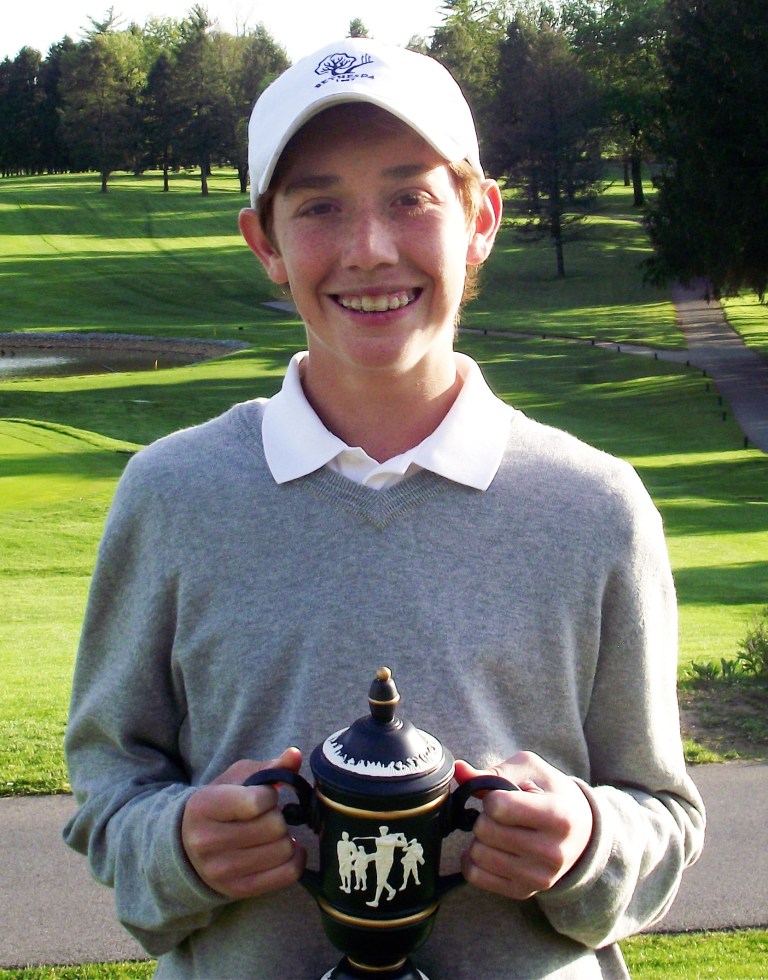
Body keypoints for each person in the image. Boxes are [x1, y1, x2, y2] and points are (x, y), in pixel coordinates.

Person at [63, 38, 705, 979]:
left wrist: (587, 843)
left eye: (412, 197)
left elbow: (664, 813)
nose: (369, 249)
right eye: (319, 206)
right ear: (266, 244)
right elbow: (110, 791)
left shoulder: (596, 505)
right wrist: (179, 847)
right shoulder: (173, 493)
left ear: (480, 218)